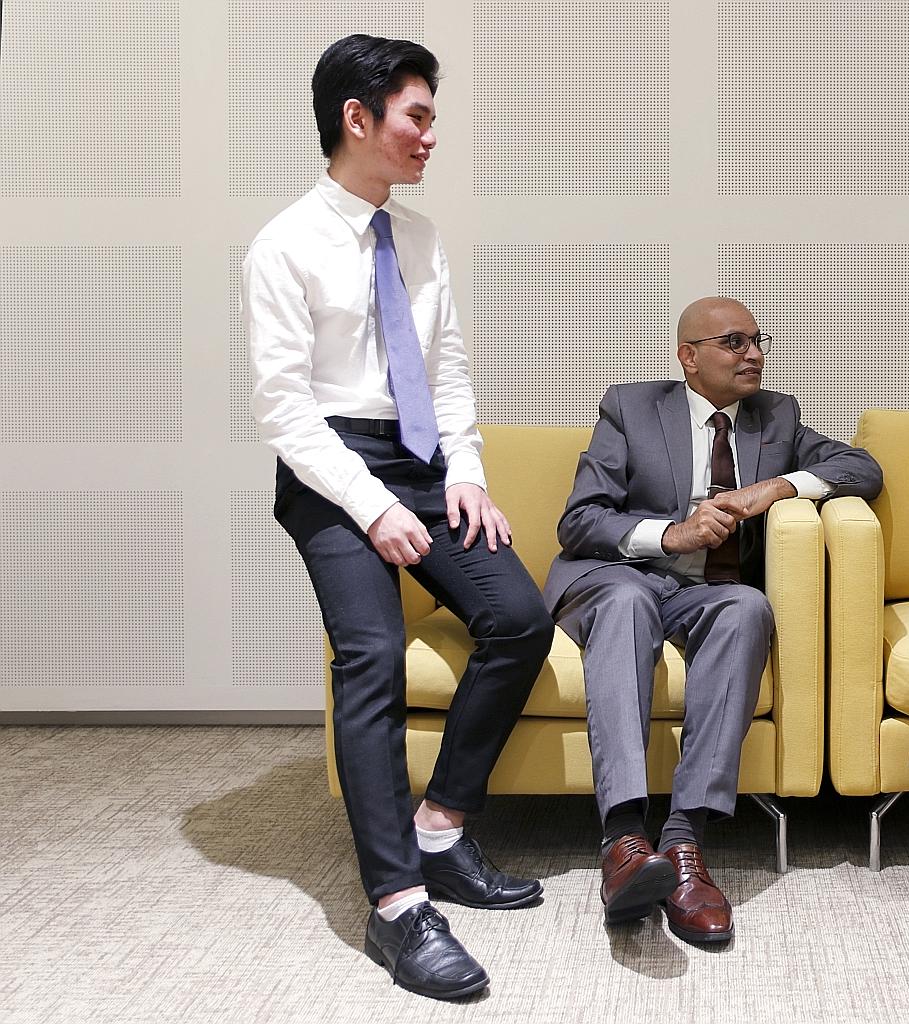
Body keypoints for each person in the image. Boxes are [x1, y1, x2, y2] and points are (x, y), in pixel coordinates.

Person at [244, 34, 555, 1000]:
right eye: (416, 116)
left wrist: (464, 470)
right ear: (358, 119)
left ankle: (443, 830)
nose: (430, 135)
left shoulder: (417, 237)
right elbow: (284, 408)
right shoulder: (284, 242)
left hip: (425, 462)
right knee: (371, 655)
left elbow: (448, 368)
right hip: (333, 469)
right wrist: (375, 508)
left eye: (430, 117)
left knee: (520, 618)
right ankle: (396, 906)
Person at [545, 297, 883, 945]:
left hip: (708, 594)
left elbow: (861, 467)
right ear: (688, 357)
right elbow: (581, 521)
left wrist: (773, 489)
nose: (753, 353)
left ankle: (682, 846)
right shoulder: (632, 407)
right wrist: (671, 535)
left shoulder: (774, 416)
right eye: (733, 342)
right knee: (625, 603)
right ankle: (622, 839)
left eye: (758, 339)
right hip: (624, 578)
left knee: (749, 607)